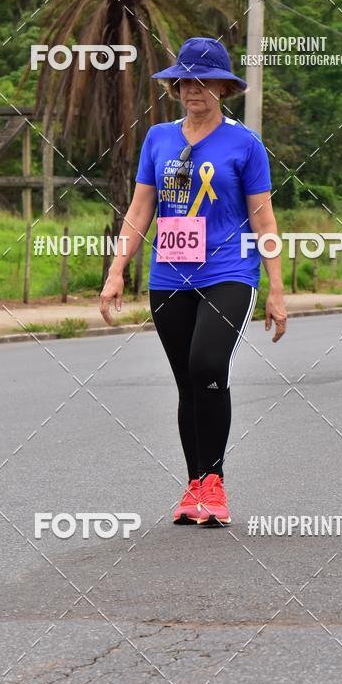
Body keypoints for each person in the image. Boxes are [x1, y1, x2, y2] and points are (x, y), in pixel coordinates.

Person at [100, 36, 287, 527]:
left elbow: (263, 219)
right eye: (184, 81)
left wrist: (276, 288)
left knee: (208, 365)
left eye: (204, 81)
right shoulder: (158, 138)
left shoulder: (245, 144)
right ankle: (195, 485)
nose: (192, 89)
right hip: (169, 276)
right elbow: (141, 208)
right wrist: (117, 270)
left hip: (229, 272)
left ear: (223, 87)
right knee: (188, 381)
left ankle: (215, 481)